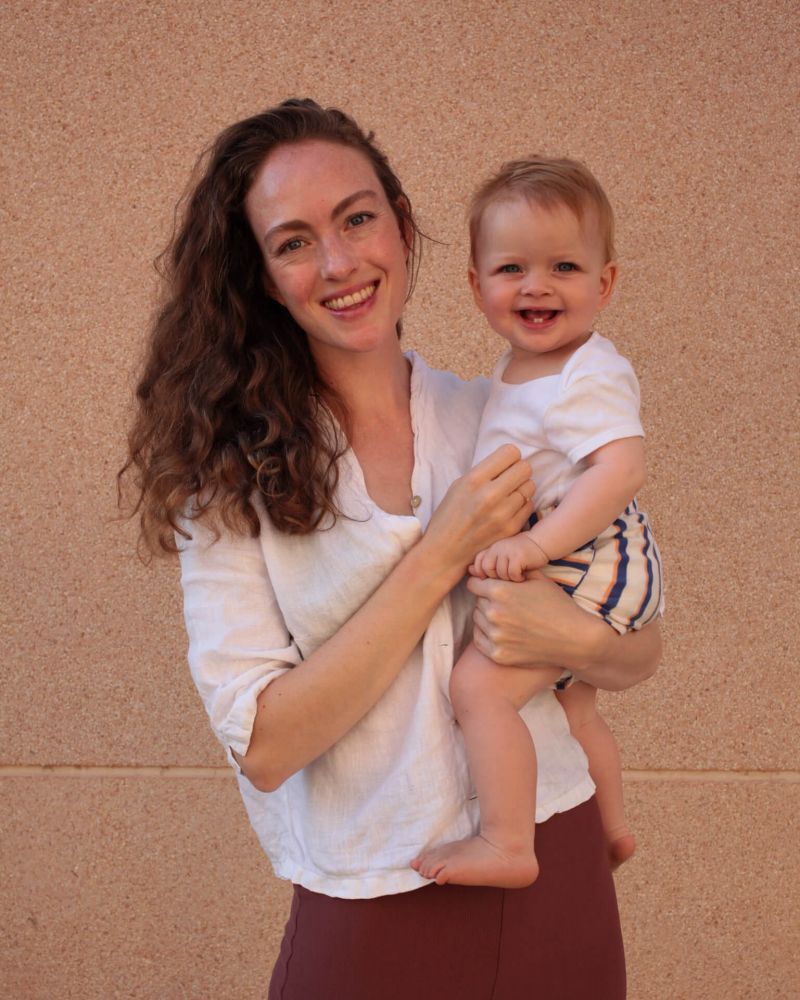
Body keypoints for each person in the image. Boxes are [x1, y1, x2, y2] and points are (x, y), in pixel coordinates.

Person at [121, 100, 661, 1000]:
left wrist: (568, 638)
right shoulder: (229, 483)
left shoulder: (500, 419)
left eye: (357, 219)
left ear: (403, 229)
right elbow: (265, 745)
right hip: (372, 904)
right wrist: (441, 554)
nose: (339, 263)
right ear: (264, 279)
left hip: (555, 869)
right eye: (294, 242)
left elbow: (638, 645)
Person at [412, 158, 663, 892]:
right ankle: (612, 826)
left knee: (479, 691)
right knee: (572, 700)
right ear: (476, 285)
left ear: (605, 284)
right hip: (582, 554)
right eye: (511, 268)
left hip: (591, 553)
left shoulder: (588, 371)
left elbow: (622, 469)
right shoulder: (518, 368)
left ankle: (507, 842)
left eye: (564, 267)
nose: (536, 285)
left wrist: (534, 544)